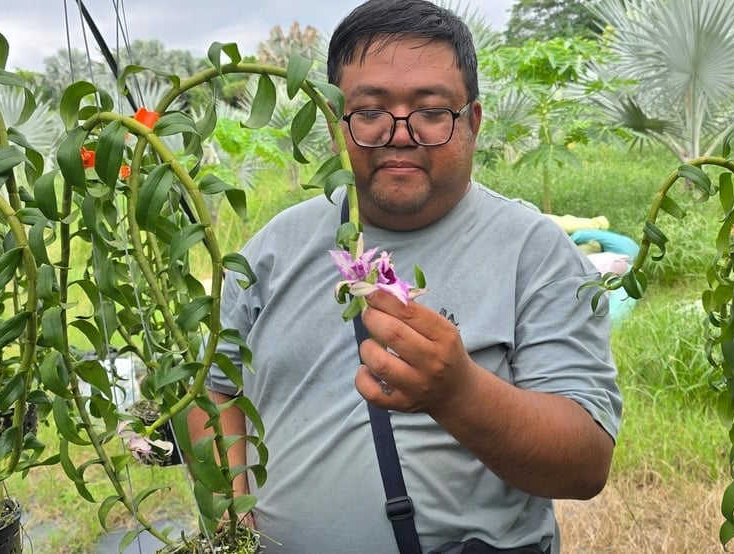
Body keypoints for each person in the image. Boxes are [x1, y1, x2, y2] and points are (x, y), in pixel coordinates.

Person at [189, 1, 622, 551]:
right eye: (369, 110)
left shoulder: (535, 253)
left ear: (474, 122)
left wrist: (459, 393)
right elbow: (218, 387)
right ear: (333, 122)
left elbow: (585, 466)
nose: (400, 134)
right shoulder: (275, 248)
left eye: (432, 110)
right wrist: (230, 514)